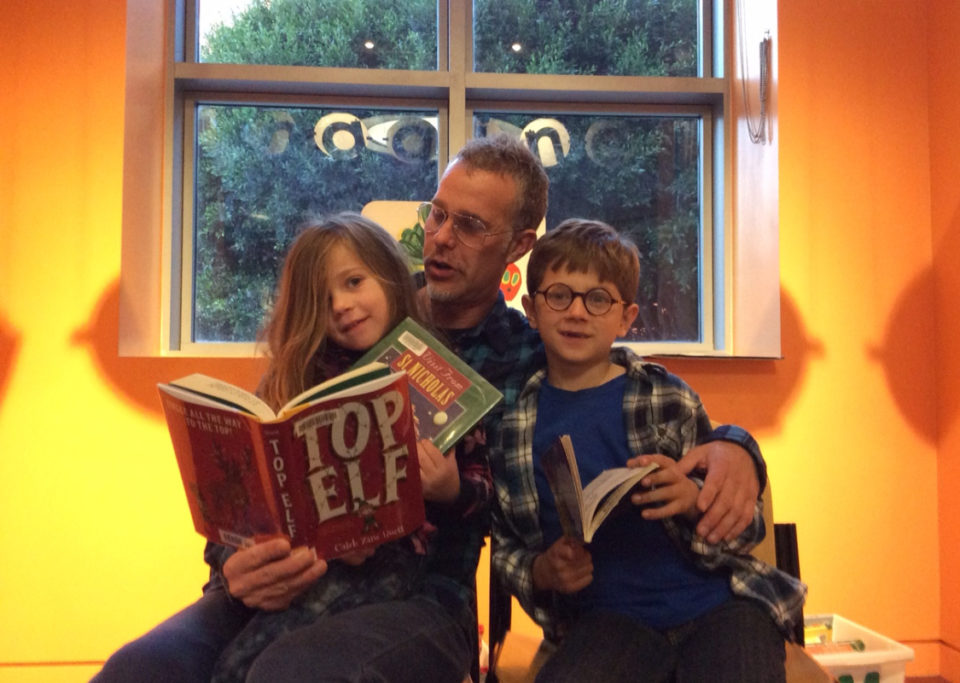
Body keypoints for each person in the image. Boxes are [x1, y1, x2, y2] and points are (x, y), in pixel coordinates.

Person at [95, 213, 491, 683]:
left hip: (404, 584)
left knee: (284, 671)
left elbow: (485, 494)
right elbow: (229, 526)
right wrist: (240, 561)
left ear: (389, 276)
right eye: (322, 300)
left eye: (354, 282)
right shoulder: (288, 384)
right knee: (136, 669)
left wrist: (450, 490)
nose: (342, 305)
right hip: (293, 578)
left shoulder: (439, 375)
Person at [489, 218, 807, 682]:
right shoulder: (513, 425)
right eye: (559, 295)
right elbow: (504, 549)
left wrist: (695, 499)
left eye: (598, 299)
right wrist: (542, 571)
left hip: (720, 605)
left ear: (626, 317)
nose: (577, 312)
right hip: (606, 622)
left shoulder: (667, 398)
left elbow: (747, 525)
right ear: (532, 310)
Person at [419, 134, 765, 544]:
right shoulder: (373, 313)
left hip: (427, 585)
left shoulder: (531, 355)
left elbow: (629, 383)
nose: (441, 237)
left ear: (518, 245)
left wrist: (737, 446)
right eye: (437, 214)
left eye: (470, 225)